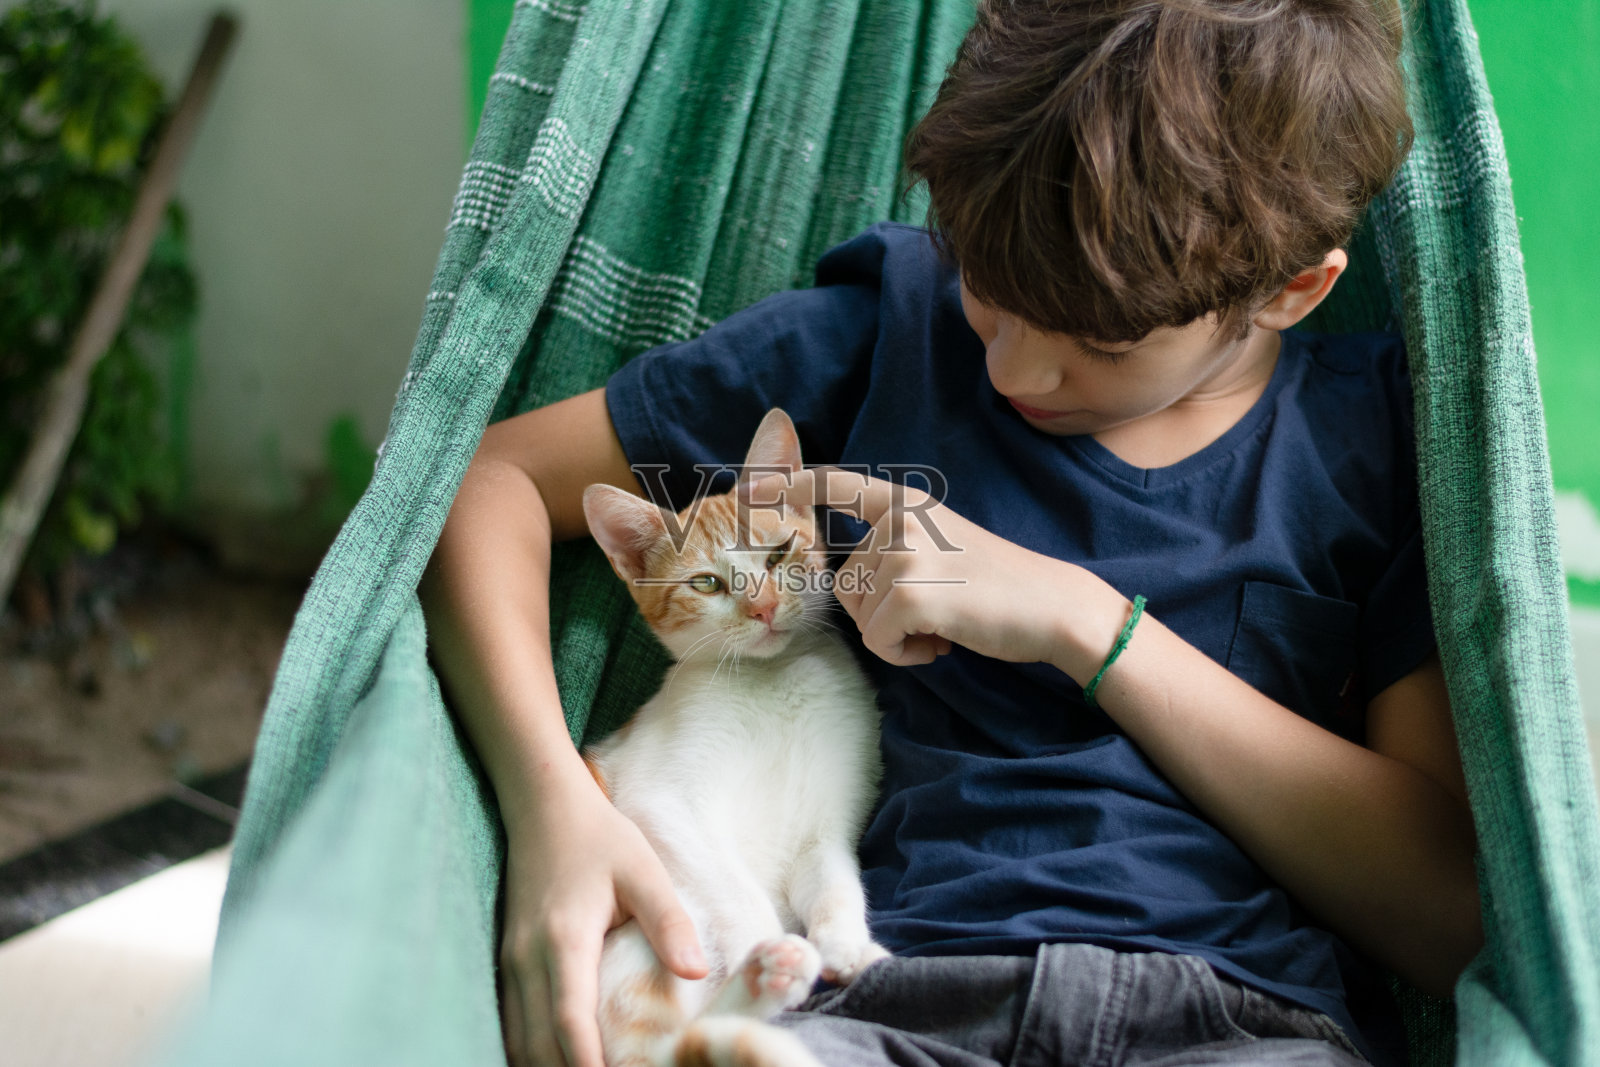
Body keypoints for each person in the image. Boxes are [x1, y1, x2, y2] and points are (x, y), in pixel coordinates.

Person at [419, 2, 1483, 1065]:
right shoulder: (890, 328)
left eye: (1098, 343)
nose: (1013, 369)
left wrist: (1088, 624)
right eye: (986, 280)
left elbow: (1446, 918)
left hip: (1244, 1023)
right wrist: (555, 802)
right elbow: (484, 481)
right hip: (895, 1000)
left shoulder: (1368, 437)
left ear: (1292, 290)